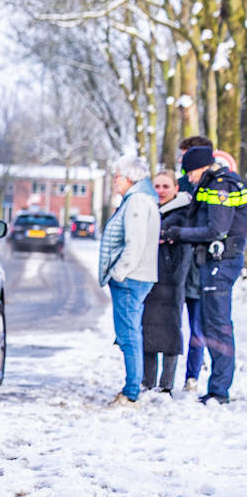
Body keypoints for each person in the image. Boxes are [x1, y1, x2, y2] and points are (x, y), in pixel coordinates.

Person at [165, 140, 246, 403]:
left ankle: (219, 391)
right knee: (213, 324)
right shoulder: (215, 183)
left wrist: (180, 234)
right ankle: (217, 388)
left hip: (221, 262)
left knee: (217, 325)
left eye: (191, 172)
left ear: (201, 168)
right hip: (216, 262)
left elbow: (217, 230)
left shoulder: (220, 186)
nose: (189, 177)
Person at [97, 157, 160, 406]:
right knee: (132, 332)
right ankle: (133, 386)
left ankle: (132, 390)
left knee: (128, 334)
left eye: (117, 176)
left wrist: (119, 273)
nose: (114, 181)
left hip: (131, 278)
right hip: (139, 277)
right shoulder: (144, 199)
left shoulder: (136, 201)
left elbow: (135, 243)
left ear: (129, 178)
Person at [142, 171, 194, 393]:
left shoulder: (184, 213)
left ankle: (166, 385)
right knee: (148, 330)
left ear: (175, 189)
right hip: (149, 276)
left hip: (172, 278)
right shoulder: (148, 209)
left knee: (172, 330)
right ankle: (147, 381)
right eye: (157, 186)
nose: (161, 191)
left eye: (166, 186)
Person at [178, 136, 213, 389]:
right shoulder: (178, 185)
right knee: (169, 323)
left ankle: (192, 376)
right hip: (178, 265)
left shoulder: (215, 187)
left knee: (198, 327)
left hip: (200, 267)